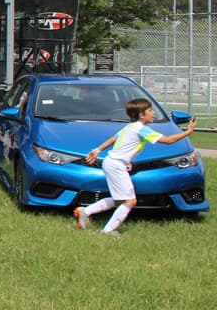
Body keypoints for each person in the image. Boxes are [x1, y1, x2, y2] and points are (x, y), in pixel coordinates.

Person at [76, 98, 197, 237]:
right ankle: (107, 231)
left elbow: (113, 138)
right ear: (141, 115)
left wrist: (97, 150)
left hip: (112, 163)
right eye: (150, 111)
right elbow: (169, 141)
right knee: (130, 201)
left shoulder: (130, 126)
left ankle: (85, 212)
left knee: (119, 199)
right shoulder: (142, 130)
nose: (153, 113)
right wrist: (189, 131)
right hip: (116, 165)